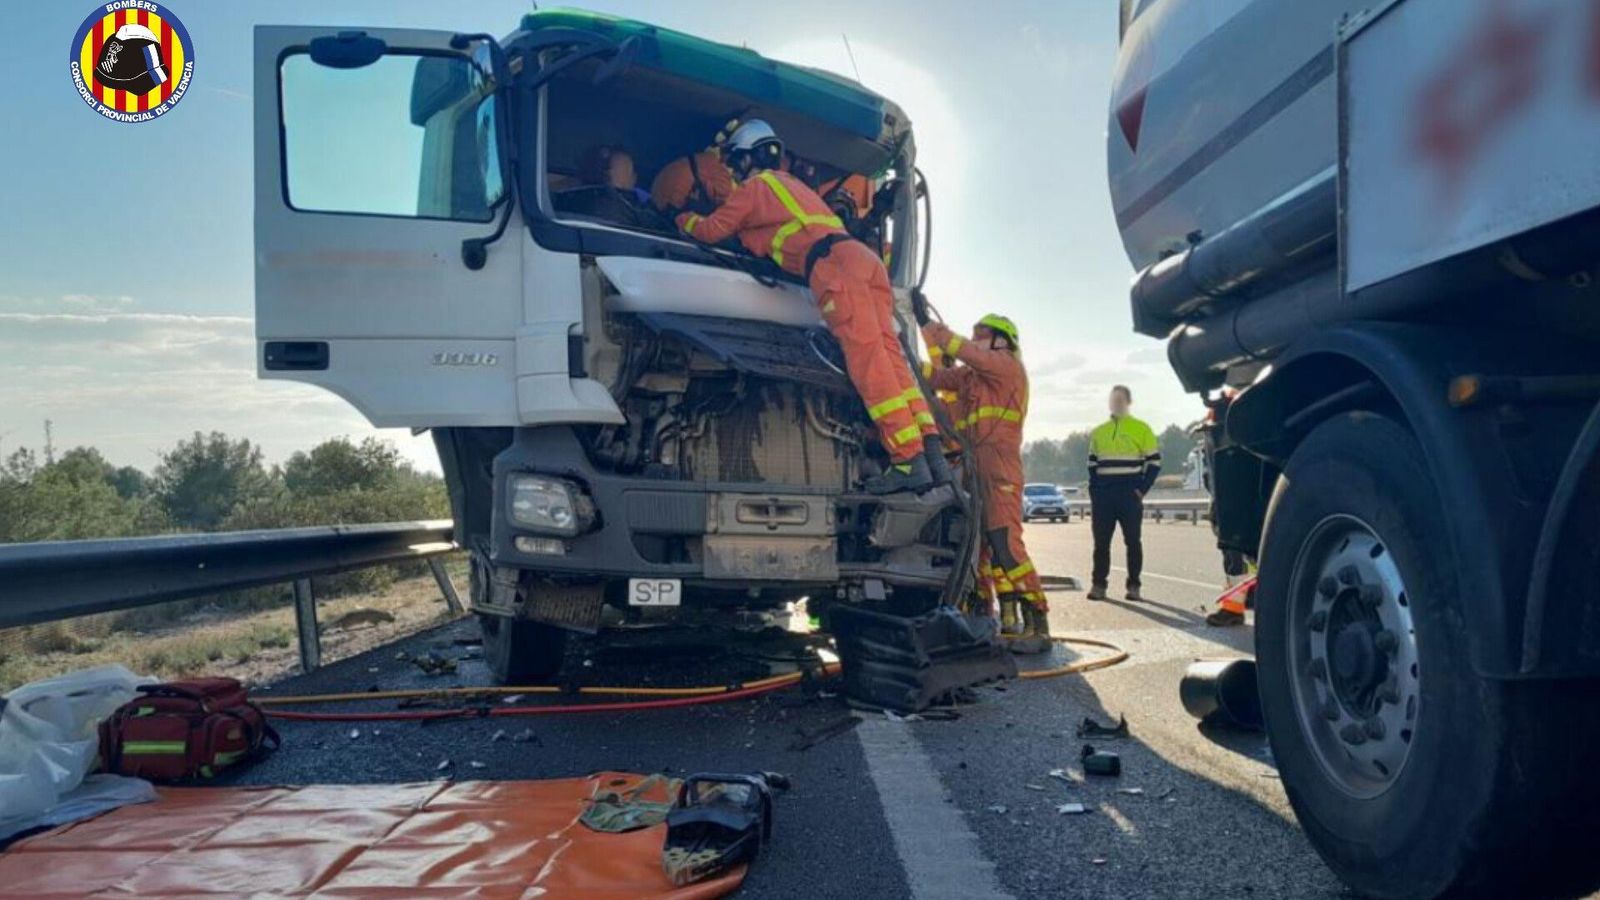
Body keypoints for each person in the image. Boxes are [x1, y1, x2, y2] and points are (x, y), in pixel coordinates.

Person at [674, 119, 943, 494]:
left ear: (747, 158)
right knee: (890, 358)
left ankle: (907, 459)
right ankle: (932, 454)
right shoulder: (795, 188)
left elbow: (712, 231)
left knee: (868, 362)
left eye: (735, 163)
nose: (734, 173)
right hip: (862, 262)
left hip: (834, 269)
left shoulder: (756, 187)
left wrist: (682, 218)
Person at [919, 309, 1050, 648]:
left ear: (1001, 340)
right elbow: (937, 378)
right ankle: (983, 617)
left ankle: (1038, 622)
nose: (976, 339)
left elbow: (969, 353)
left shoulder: (1006, 365)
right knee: (978, 551)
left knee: (1006, 545)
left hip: (999, 467)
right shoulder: (972, 379)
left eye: (982, 334)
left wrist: (935, 329)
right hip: (975, 467)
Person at [1087, 385, 1161, 601]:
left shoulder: (1142, 429)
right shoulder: (1099, 432)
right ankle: (1098, 585)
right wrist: (1096, 492)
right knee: (1101, 543)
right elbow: (1091, 465)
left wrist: (1141, 490)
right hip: (1104, 497)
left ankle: (1134, 585)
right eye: (1113, 399)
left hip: (1129, 495)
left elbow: (1154, 463)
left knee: (1133, 542)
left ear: (1128, 402)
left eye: (1120, 399)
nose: (1116, 403)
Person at [651, 139, 737, 216]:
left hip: (658, 212)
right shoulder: (715, 168)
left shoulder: (693, 160)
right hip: (673, 219)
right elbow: (728, 201)